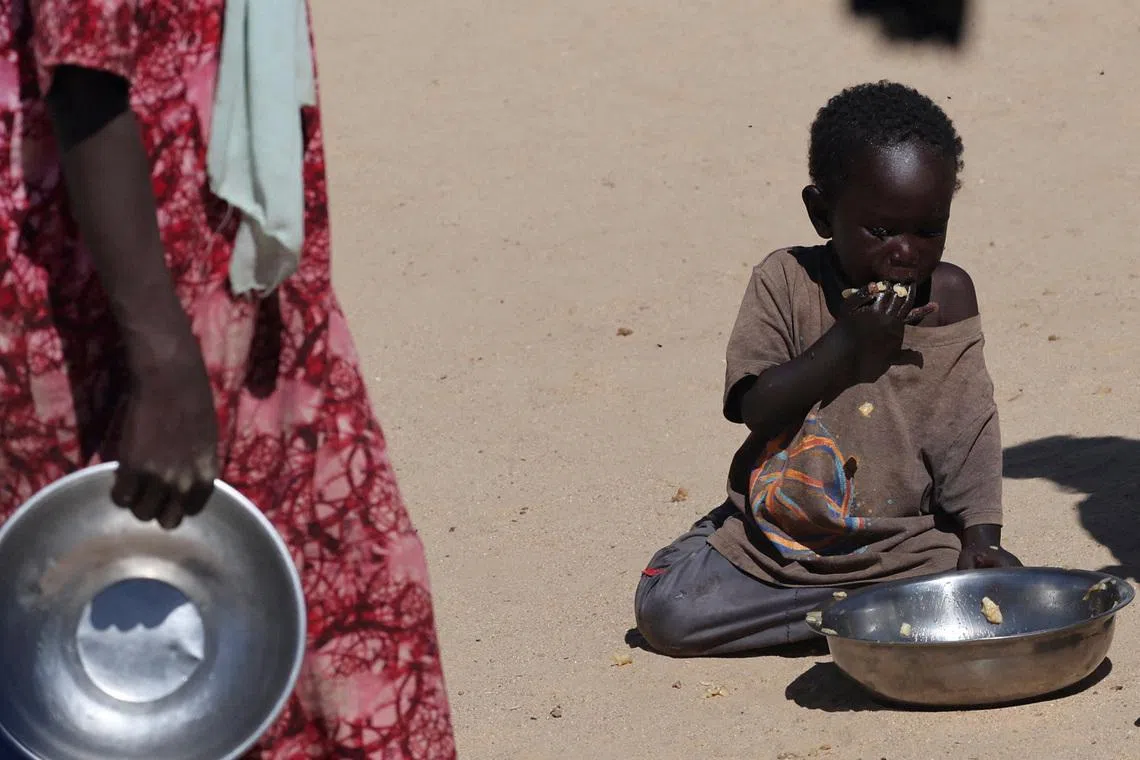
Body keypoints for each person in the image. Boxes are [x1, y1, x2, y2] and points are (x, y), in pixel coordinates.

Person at [0, 1, 455, 757]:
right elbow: (85, 73)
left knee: (330, 608)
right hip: (122, 303)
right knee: (99, 664)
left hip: (231, 284)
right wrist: (163, 362)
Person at [633, 81, 1020, 657]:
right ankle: (858, 619)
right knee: (668, 614)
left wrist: (982, 541)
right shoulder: (785, 282)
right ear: (822, 213)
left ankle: (855, 614)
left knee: (985, 601)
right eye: (881, 230)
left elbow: (968, 434)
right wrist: (847, 344)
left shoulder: (950, 299)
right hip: (778, 542)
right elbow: (755, 408)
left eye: (928, 229)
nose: (906, 252)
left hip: (902, 551)